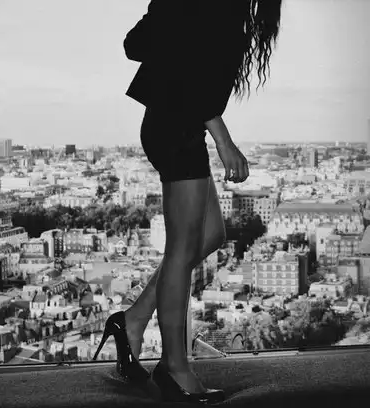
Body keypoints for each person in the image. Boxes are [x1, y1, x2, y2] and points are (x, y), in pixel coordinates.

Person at [93, 0, 283, 404]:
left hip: (182, 125)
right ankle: (174, 368)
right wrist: (224, 140)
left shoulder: (228, 9)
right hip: (174, 126)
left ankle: (132, 320)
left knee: (211, 235)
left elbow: (185, 64)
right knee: (181, 251)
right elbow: (148, 50)